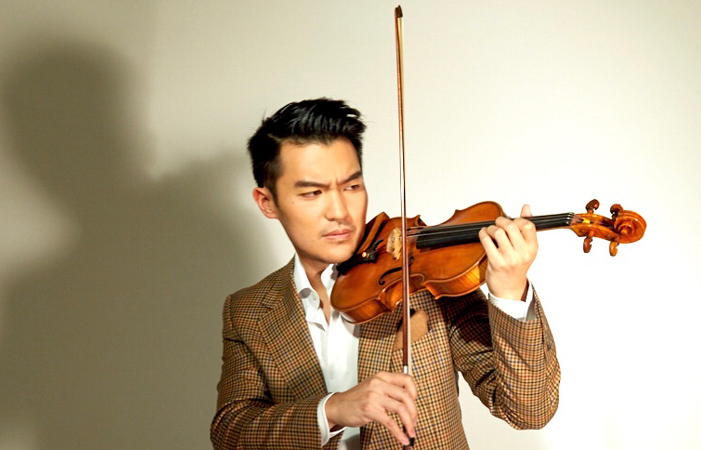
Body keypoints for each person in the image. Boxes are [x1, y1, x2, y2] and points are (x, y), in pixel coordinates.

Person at [211, 98, 560, 449]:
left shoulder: (424, 276)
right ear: (267, 202)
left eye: (351, 187)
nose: (339, 211)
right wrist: (330, 410)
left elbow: (529, 409)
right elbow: (232, 432)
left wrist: (510, 293)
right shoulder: (248, 311)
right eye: (313, 192)